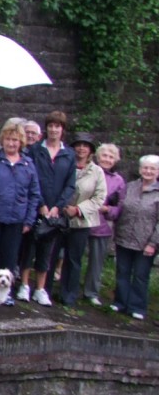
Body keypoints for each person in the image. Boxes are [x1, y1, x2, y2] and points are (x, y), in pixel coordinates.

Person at [0, 121, 41, 294]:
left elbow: (34, 194)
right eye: (8, 139)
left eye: (15, 140)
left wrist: (29, 220)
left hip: (16, 220)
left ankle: (5, 294)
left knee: (9, 258)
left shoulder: (28, 165)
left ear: (21, 142)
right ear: (2, 140)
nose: (11, 143)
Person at [18, 110, 75, 306]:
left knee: (47, 250)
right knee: (29, 247)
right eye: (50, 126)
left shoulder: (68, 155)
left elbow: (70, 184)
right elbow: (31, 178)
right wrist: (41, 203)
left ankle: (40, 289)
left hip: (55, 211)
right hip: (35, 207)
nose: (53, 129)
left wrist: (57, 207)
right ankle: (24, 285)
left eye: (57, 126)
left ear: (63, 129)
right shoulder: (35, 151)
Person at [55, 133, 107, 307]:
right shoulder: (65, 164)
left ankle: (70, 295)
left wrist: (78, 210)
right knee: (53, 256)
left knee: (74, 259)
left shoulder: (97, 171)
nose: (81, 148)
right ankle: (49, 291)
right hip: (59, 217)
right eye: (78, 145)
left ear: (91, 150)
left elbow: (99, 198)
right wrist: (61, 206)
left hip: (81, 221)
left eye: (86, 145)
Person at [111, 155, 159, 321]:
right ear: (139, 170)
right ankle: (120, 302)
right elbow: (119, 208)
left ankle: (137, 307)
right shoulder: (129, 187)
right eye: (145, 167)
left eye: (152, 168)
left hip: (145, 242)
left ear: (157, 172)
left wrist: (153, 243)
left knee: (140, 275)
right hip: (124, 237)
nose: (148, 171)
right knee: (122, 272)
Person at [84, 143, 126, 307]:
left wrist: (108, 210)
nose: (107, 159)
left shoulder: (118, 181)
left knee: (96, 263)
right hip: (81, 222)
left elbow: (120, 207)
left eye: (111, 157)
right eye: (104, 155)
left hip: (102, 226)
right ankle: (68, 289)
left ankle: (91, 293)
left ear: (115, 160)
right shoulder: (87, 171)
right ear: (97, 156)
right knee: (72, 259)